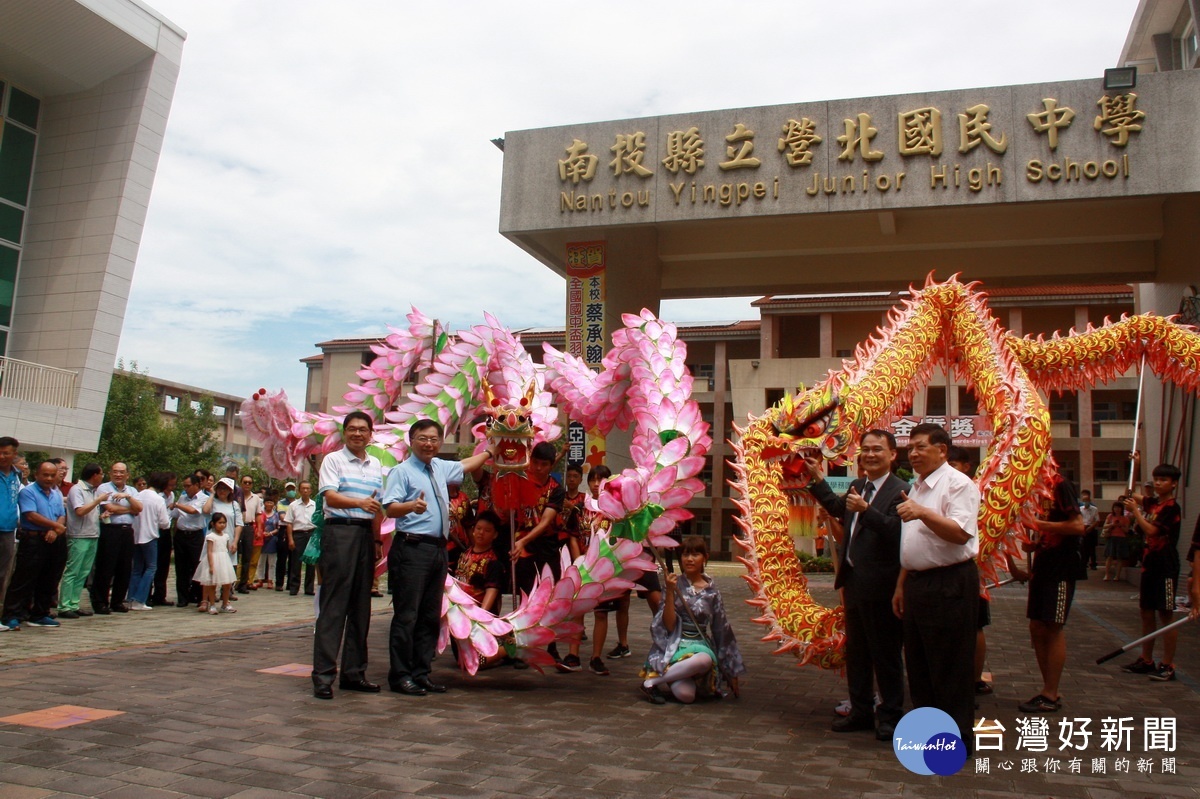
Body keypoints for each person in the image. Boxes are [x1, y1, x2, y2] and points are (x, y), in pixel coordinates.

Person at [807, 429, 907, 742]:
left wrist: (868, 512)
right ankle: (861, 711)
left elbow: (898, 533)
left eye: (878, 449)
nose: (870, 455)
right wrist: (817, 480)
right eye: (865, 449)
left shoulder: (902, 491)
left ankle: (890, 716)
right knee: (858, 653)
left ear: (892, 455)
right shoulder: (857, 485)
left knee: (886, 654)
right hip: (854, 583)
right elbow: (841, 511)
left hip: (884, 586)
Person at [383, 419, 492, 696]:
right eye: (422, 438)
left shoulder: (440, 467)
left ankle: (421, 673)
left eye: (433, 439)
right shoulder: (402, 471)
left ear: (440, 442)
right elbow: (390, 508)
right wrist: (411, 506)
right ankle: (400, 675)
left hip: (437, 551)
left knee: (430, 616)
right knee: (407, 615)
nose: (428, 443)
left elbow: (468, 464)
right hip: (412, 549)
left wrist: (492, 450)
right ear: (411, 440)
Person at [892, 423, 980, 754]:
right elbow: (911, 542)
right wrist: (901, 585)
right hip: (917, 583)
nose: (913, 453)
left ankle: (955, 739)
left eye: (920, 447)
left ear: (942, 450)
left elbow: (960, 533)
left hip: (950, 581)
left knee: (950, 664)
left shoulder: (958, 484)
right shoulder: (918, 487)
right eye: (910, 448)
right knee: (919, 663)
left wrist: (924, 513)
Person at [312, 411, 386, 700]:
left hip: (365, 534)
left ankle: (354, 673)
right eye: (352, 429)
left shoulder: (376, 463)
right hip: (339, 532)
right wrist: (360, 502)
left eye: (363, 429)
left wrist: (378, 540)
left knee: (361, 606)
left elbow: (377, 506)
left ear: (371, 434)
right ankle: (323, 676)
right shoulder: (333, 460)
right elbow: (330, 497)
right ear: (344, 433)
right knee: (334, 605)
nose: (358, 434)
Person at [640, 535, 745, 704]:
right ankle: (660, 679)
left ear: (705, 557)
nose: (689, 559)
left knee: (703, 660)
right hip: (676, 644)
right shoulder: (673, 584)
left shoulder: (712, 592)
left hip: (700, 644)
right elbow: (668, 624)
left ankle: (655, 680)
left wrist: (731, 671)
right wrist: (670, 592)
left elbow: (722, 630)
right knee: (686, 696)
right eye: (685, 554)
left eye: (695, 554)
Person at [1018, 471, 1085, 714]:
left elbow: (1077, 526)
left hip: (1061, 566)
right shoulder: (1033, 486)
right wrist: (1035, 542)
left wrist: (1040, 525)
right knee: (1036, 625)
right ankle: (1049, 689)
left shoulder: (1060, 483)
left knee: (1053, 626)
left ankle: (1050, 692)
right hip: (1043, 562)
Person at [1120, 461, 1183, 682]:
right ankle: (1146, 660)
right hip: (1149, 565)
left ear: (1174, 484)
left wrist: (1135, 512)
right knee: (1146, 613)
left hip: (1165, 566)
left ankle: (1167, 664)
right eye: (1156, 479)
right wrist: (1135, 465)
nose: (1158, 483)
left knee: (1166, 615)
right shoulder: (1154, 503)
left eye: (1164, 480)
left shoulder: (1171, 508)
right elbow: (1130, 493)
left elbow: (1151, 531)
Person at [2, 461, 68, 629]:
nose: (49, 478)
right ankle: (11, 615)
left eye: (52, 475)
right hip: (33, 540)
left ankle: (40, 613)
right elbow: (30, 515)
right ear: (37, 474)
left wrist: (55, 529)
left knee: (49, 579)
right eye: (45, 474)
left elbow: (61, 514)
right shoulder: (28, 492)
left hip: (53, 539)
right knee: (24, 579)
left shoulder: (55, 493)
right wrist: (54, 526)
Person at [58, 463, 109, 618]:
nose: (102, 477)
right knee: (73, 571)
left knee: (83, 572)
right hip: (78, 536)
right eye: (101, 474)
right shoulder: (77, 489)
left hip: (92, 534)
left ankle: (74, 603)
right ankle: (64, 606)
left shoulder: (93, 491)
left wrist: (101, 516)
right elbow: (80, 511)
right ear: (94, 475)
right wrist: (98, 500)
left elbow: (90, 512)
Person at [92, 462, 143, 614]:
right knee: (106, 567)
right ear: (110, 473)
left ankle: (117, 601)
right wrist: (130, 509)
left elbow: (139, 508)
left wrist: (127, 497)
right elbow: (110, 508)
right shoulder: (104, 488)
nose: (118, 475)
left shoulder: (132, 490)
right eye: (115, 471)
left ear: (127, 475)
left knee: (125, 567)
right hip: (110, 530)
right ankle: (100, 602)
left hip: (127, 531)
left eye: (121, 472)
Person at [127, 472, 172, 611]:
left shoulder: (138, 495)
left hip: (136, 535)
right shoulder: (158, 499)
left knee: (137, 569)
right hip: (150, 535)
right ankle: (140, 599)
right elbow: (165, 523)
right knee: (151, 568)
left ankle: (131, 598)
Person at [454, 510, 506, 614]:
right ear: (473, 530)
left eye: (487, 530)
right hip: (458, 610)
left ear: (495, 534)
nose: (481, 533)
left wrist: (480, 616)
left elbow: (492, 590)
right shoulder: (464, 554)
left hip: (477, 614)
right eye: (478, 528)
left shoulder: (493, 562)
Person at [172, 474, 209, 608]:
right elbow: (176, 515)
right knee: (181, 567)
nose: (186, 489)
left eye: (188, 486)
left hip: (195, 535)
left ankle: (198, 595)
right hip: (181, 534)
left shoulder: (204, 498)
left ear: (196, 485)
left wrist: (177, 505)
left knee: (196, 566)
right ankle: (182, 597)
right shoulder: (182, 497)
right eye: (184, 486)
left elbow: (194, 511)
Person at [0, 437, 23, 631]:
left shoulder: (16, 476)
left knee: (2, 575)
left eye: (6, 453)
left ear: (14, 454)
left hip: (8, 530)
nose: (2, 456)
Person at [194, 512, 237, 614]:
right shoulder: (211, 536)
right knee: (212, 584)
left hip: (224, 560)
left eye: (224, 522)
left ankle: (225, 604)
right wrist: (211, 565)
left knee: (227, 584)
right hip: (214, 559)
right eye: (220, 522)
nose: (222, 525)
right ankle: (212, 604)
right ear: (213, 523)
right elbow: (209, 551)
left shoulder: (226, 536)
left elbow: (226, 549)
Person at [149, 472, 178, 607]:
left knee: (163, 565)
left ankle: (160, 595)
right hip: (155, 530)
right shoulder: (157, 496)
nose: (171, 487)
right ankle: (147, 593)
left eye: (173, 485)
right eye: (170, 485)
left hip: (166, 531)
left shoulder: (171, 496)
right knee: (151, 564)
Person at [285, 481, 318, 596]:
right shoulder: (293, 505)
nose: (305, 491)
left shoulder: (315, 505)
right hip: (298, 534)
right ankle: (294, 587)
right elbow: (289, 523)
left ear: (311, 491)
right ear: (299, 490)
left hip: (311, 534)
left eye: (307, 488)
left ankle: (309, 588)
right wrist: (290, 539)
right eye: (303, 488)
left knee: (311, 562)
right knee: (295, 562)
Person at [235, 475, 262, 593]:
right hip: (236, 527)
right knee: (234, 556)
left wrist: (259, 529)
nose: (247, 484)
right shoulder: (236, 496)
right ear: (241, 483)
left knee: (247, 557)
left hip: (249, 527)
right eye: (245, 482)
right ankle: (232, 583)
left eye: (249, 483)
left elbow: (258, 514)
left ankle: (243, 583)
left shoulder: (256, 498)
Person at [1102, 502, 1132, 581]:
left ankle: (1117, 576)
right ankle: (1107, 575)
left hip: (1121, 538)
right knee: (1109, 557)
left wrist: (1120, 525)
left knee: (1119, 558)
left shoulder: (1125, 518)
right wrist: (1112, 524)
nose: (1117, 509)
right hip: (1111, 537)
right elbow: (1105, 525)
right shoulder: (1110, 516)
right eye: (1115, 507)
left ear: (1122, 509)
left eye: (1118, 508)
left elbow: (1126, 530)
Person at [258, 494, 281, 589]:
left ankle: (270, 580)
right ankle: (260, 579)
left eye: (271, 502)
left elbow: (278, 528)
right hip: (261, 539)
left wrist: (271, 533)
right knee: (261, 561)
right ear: (264, 504)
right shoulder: (260, 514)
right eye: (267, 502)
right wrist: (262, 533)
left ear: (274, 504)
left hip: (272, 539)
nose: (269, 504)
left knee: (272, 562)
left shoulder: (276, 515)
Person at [1079, 490, 1100, 571]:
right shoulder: (1080, 509)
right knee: (1082, 548)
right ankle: (1083, 563)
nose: (1085, 502)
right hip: (1083, 528)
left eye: (1087, 501)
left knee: (1092, 548)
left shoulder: (1094, 509)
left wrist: (1090, 527)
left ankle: (1093, 564)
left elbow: (1097, 520)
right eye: (1084, 501)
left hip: (1091, 528)